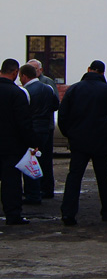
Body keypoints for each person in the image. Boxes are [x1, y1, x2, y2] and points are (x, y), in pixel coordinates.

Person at [57, 60, 107, 226]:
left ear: (88, 70)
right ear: (102, 73)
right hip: (101, 140)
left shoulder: (74, 89)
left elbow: (63, 116)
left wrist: (69, 134)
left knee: (74, 177)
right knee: (103, 177)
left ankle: (68, 213)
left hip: (79, 140)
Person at [0, 58, 34, 225]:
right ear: (15, 73)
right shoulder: (17, 94)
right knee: (11, 181)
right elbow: (24, 122)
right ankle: (12, 215)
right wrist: (31, 142)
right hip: (11, 146)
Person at [19, 63, 60, 202]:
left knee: (29, 161)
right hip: (45, 129)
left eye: (20, 76)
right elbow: (56, 105)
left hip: (32, 129)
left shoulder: (26, 91)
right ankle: (46, 189)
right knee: (45, 160)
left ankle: (32, 193)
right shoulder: (48, 88)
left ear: (24, 76)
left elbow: (23, 112)